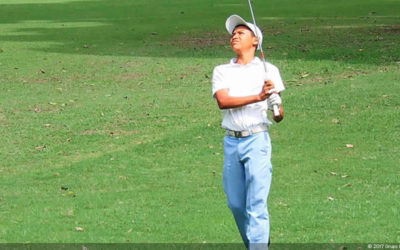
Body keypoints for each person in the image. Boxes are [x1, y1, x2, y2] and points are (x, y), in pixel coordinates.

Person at [211, 14, 285, 249]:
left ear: (255, 41)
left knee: (256, 203)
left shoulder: (268, 70)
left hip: (257, 139)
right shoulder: (222, 70)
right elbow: (223, 101)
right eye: (233, 33)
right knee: (235, 204)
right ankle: (259, 242)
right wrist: (258, 97)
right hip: (232, 141)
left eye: (241, 33)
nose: (234, 36)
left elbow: (279, 115)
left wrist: (274, 103)